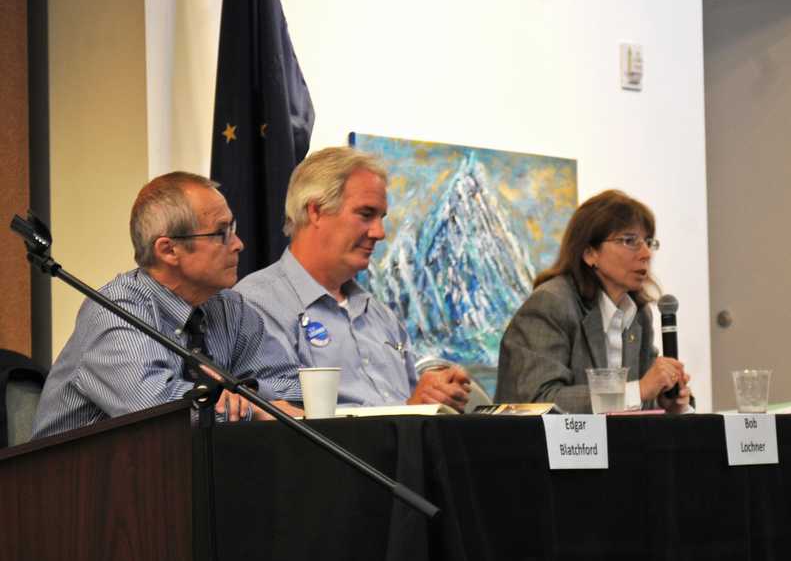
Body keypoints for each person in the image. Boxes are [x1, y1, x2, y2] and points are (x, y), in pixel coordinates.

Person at [32, 172, 302, 439]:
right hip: (77, 476)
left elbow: (291, 391)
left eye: (233, 228)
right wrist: (250, 410)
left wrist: (246, 394)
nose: (238, 244)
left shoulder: (231, 309)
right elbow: (158, 412)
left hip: (181, 472)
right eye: (222, 233)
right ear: (168, 250)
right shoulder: (116, 311)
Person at [236, 147, 471, 410]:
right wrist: (411, 412)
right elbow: (286, 427)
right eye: (366, 214)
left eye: (381, 217)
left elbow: (409, 401)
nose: (380, 232)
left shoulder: (380, 315)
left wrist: (436, 394)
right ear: (316, 211)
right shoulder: (256, 306)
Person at [496, 190, 693, 414]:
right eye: (630, 241)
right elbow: (538, 402)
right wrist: (638, 391)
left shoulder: (638, 314)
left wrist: (665, 401)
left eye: (648, 242)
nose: (646, 253)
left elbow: (638, 401)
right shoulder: (552, 303)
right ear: (590, 253)